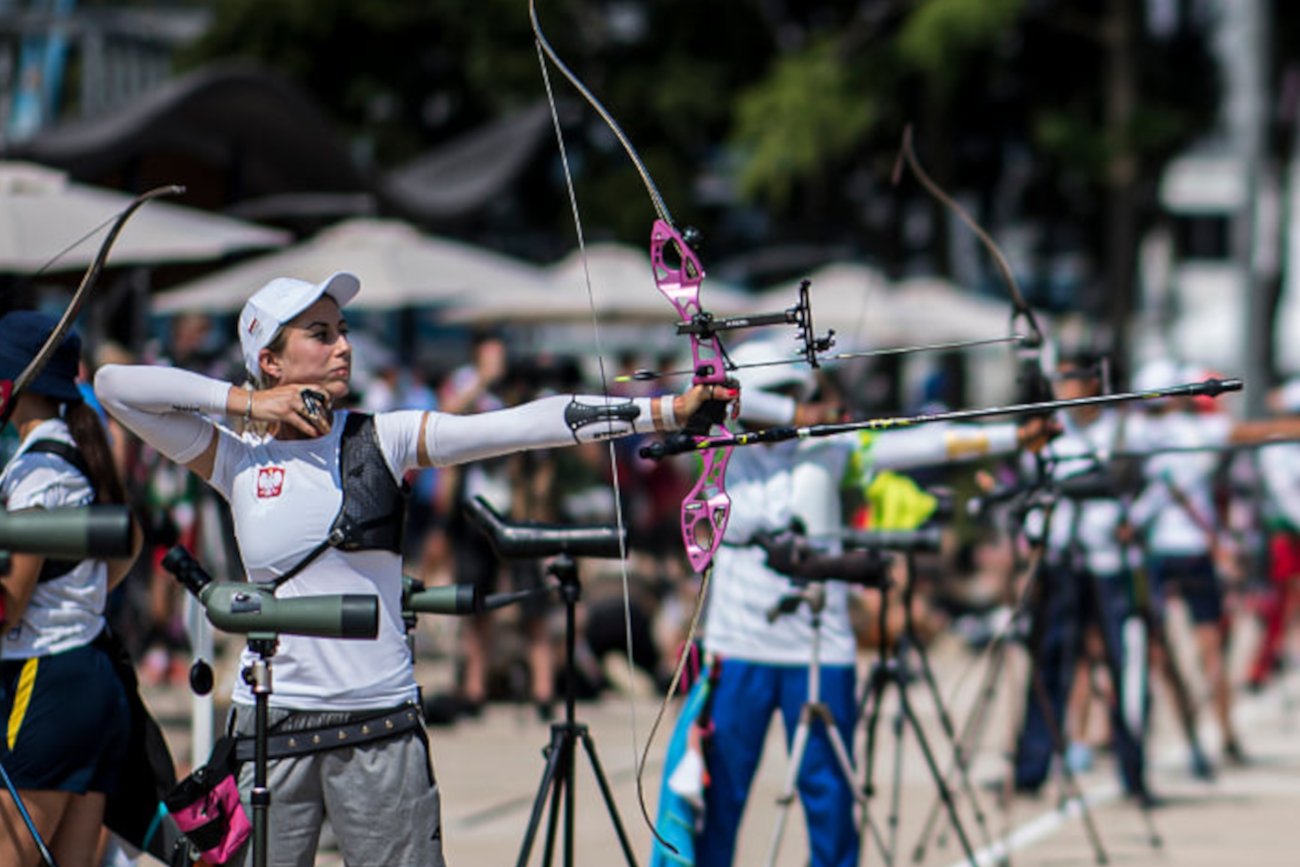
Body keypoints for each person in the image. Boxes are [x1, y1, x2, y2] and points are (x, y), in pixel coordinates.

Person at [94, 271, 728, 867]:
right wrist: (247, 406)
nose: (344, 346)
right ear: (271, 361)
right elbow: (114, 386)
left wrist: (667, 412)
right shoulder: (235, 458)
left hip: (379, 724)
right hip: (272, 726)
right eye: (321, 334)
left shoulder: (382, 437)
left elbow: (514, 426)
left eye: (342, 330)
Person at [654, 337, 1054, 867]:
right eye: (779, 397)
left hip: (821, 652)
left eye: (799, 391)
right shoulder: (716, 452)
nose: (796, 403)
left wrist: (1014, 436)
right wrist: (785, 411)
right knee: (718, 801)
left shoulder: (832, 447)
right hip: (739, 650)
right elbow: (709, 408)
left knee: (831, 803)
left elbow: (930, 445)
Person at [0, 311, 144, 867]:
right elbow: (130, 538)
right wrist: (82, 601)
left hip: (47, 679)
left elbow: (9, 603)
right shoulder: (77, 448)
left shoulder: (36, 471)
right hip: (88, 674)